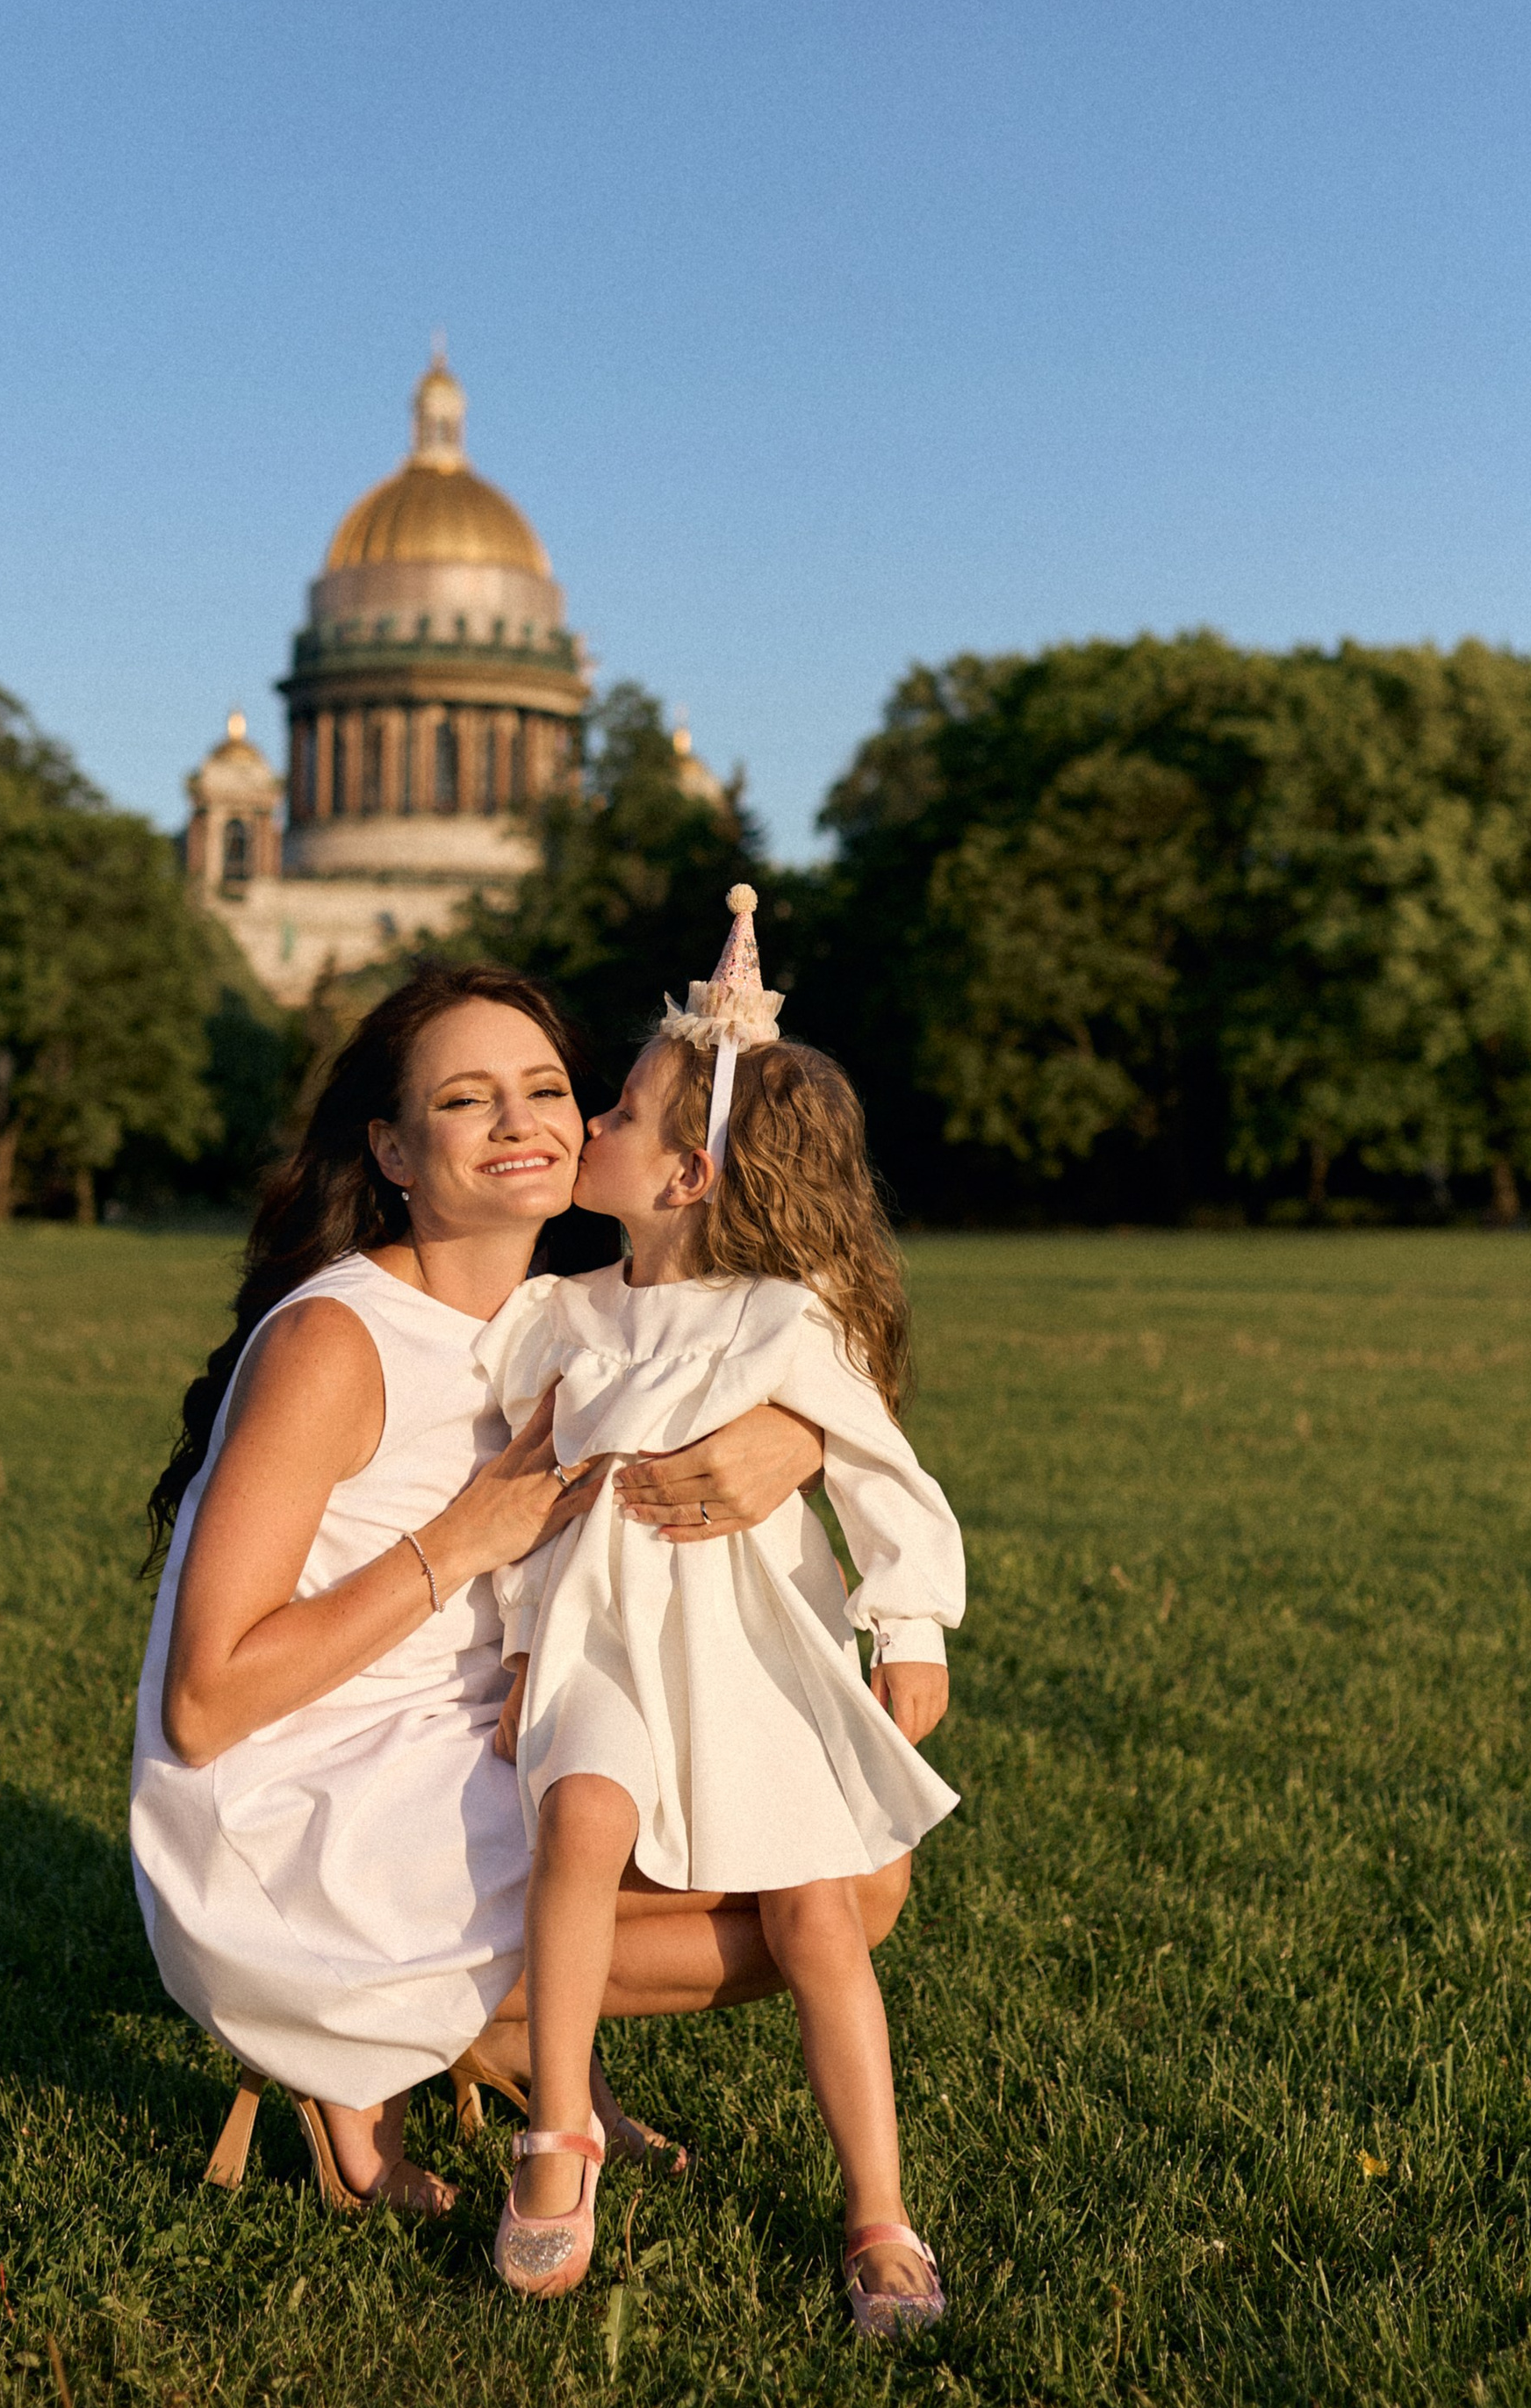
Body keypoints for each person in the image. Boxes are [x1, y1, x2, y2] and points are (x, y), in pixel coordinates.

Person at [130, 963, 903, 2214]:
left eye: (547, 1089)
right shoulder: (338, 1342)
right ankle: (373, 2036)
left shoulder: (564, 1315)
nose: (520, 1122)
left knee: (848, 1874)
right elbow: (206, 1706)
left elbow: (765, 1343)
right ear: (390, 1148)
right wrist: (461, 1539)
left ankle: (475, 2029)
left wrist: (797, 1439)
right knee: (831, 1889)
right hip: (300, 1808)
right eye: (465, 1100)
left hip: (463, 1746)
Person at [478, 891, 964, 2332]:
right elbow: (515, 1506)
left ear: (687, 1174)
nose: (588, 1131)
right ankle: (558, 2131)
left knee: (820, 1911)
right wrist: (517, 1648)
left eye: (617, 1111)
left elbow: (889, 1474)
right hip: (599, 1642)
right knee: (582, 1818)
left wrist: (910, 1623)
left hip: (751, 1650)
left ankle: (879, 2211)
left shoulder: (777, 1324)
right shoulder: (557, 1321)